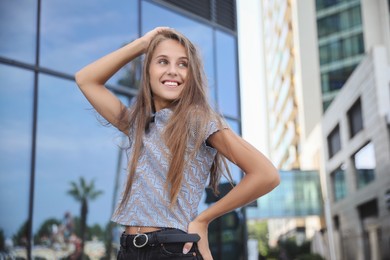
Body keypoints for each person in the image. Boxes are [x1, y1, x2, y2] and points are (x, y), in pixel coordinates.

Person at [75, 27, 280, 260]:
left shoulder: (199, 119)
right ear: (148, 70)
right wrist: (143, 44)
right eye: (162, 61)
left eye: (183, 64)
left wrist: (203, 219)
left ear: (191, 75)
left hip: (172, 249)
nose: (173, 71)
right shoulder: (138, 123)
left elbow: (266, 174)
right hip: (129, 249)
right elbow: (86, 79)